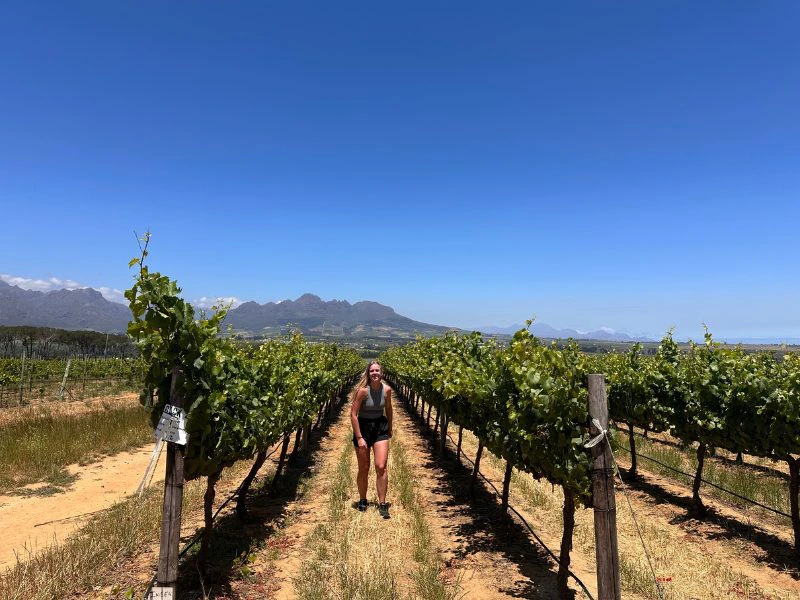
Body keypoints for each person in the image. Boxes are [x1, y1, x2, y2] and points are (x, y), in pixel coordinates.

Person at [350, 360, 393, 518]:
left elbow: (388, 408)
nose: (375, 373)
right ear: (368, 374)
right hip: (363, 428)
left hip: (380, 427)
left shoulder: (387, 390)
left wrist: (390, 427)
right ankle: (363, 499)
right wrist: (359, 437)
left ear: (382, 373)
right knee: (364, 468)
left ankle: (382, 504)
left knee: (381, 466)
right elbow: (353, 414)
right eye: (372, 371)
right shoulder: (362, 391)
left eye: (377, 371)